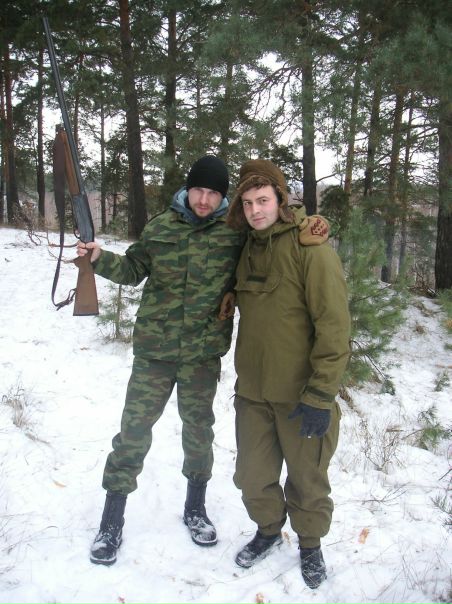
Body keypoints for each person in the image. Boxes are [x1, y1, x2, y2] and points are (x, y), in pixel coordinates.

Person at [77, 156, 244, 566]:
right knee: (133, 432)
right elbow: (134, 269)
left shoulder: (234, 234)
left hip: (202, 356)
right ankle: (111, 521)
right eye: (198, 189)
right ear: (187, 189)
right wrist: (99, 259)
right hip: (155, 353)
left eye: (213, 193)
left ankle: (195, 509)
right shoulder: (160, 227)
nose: (204, 199)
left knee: (199, 431)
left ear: (223, 197)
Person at [226, 159, 351, 589]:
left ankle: (310, 544)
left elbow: (334, 326)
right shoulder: (246, 246)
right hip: (253, 393)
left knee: (307, 479)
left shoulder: (309, 248)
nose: (255, 210)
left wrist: (320, 395)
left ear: (280, 199)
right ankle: (267, 530)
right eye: (247, 203)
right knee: (252, 476)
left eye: (263, 200)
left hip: (301, 395)